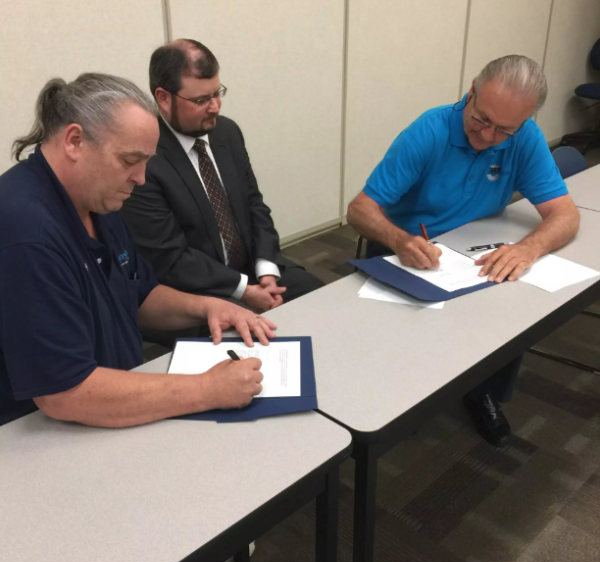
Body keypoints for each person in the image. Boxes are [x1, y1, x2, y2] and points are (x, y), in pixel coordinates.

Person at [0, 73, 277, 428]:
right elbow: (63, 393)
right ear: (74, 141)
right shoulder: (26, 233)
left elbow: (139, 294)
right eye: (130, 160)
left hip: (118, 397)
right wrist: (206, 390)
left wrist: (210, 305)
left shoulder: (97, 199)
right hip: (46, 433)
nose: (141, 178)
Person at [347, 55, 580, 446]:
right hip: (409, 252)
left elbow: (565, 215)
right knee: (391, 362)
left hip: (473, 250)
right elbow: (359, 210)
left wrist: (529, 248)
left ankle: (482, 391)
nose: (488, 136)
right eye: (482, 120)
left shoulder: (524, 137)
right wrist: (400, 240)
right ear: (470, 92)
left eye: (503, 130)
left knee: (514, 302)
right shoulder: (429, 131)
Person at [120, 39, 323, 335]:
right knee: (254, 348)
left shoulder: (227, 132)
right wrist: (243, 290)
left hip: (252, 268)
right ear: (163, 98)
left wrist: (266, 270)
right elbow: (169, 258)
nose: (215, 106)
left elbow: (254, 204)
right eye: (201, 100)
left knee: (319, 298)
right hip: (193, 291)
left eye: (217, 93)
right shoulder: (144, 157)